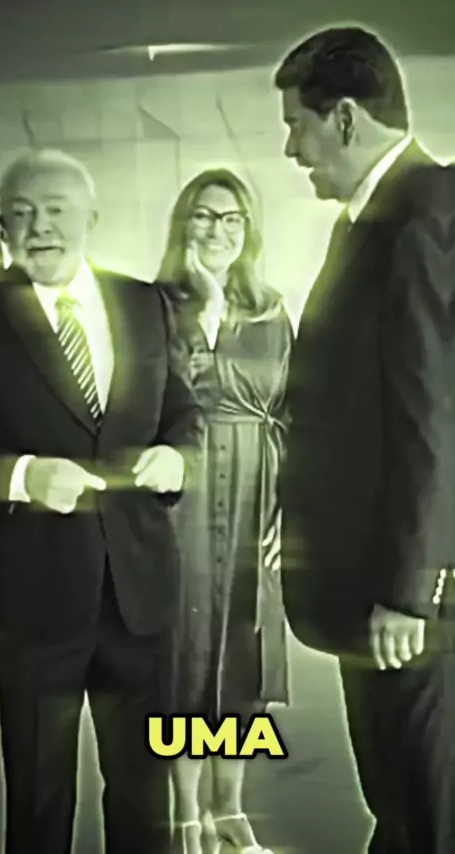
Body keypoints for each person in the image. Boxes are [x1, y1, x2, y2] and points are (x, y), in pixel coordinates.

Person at [0, 148, 203, 854]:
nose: (39, 227)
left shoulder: (142, 303)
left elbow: (182, 412)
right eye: (21, 214)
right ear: (3, 228)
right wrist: (19, 476)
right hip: (34, 597)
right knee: (40, 799)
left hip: (140, 592)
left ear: (91, 219)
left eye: (56, 211)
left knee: (144, 794)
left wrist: (179, 457)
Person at [275, 26, 454, 854]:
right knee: (399, 808)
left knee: (427, 812)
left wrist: (410, 591)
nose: (291, 149)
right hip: (373, 591)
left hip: (406, 605)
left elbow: (433, 416)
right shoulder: (373, 218)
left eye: (298, 125)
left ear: (344, 117)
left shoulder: (426, 214)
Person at [157, 169, 291, 854]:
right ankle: (186, 813)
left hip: (255, 492)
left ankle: (230, 807)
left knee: (243, 652)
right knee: (184, 651)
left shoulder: (272, 311)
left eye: (232, 218)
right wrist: (204, 304)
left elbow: (294, 412)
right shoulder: (157, 307)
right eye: (205, 216)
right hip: (183, 490)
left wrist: (290, 507)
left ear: (249, 230)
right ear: (184, 224)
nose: (218, 230)